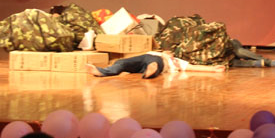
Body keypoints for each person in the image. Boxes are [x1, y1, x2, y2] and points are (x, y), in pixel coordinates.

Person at [86, 51, 227, 79]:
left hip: (157, 62)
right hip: (144, 59)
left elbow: (192, 67)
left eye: (171, 52)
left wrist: (213, 69)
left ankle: (151, 70)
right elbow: (141, 56)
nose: (169, 52)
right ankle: (101, 71)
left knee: (155, 63)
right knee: (121, 63)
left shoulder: (174, 61)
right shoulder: (157, 53)